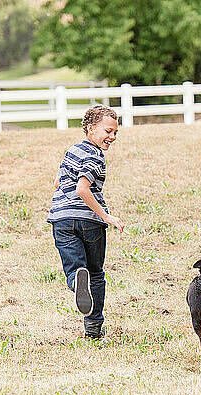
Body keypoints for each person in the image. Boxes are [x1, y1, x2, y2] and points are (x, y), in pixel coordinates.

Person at [47, 105, 125, 339]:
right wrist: (106, 216)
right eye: (108, 131)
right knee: (96, 274)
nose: (111, 137)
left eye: (115, 133)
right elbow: (83, 188)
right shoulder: (95, 156)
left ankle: (76, 280)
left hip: (62, 220)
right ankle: (93, 329)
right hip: (89, 221)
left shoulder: (72, 151)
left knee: (76, 269)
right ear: (91, 128)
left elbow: (58, 181)